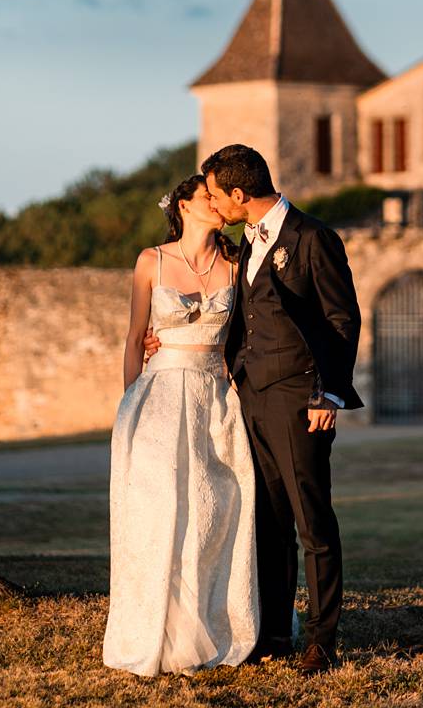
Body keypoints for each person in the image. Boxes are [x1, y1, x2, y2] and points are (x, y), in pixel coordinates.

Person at [143, 143, 363, 674]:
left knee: (313, 523)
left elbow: (343, 321)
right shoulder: (242, 247)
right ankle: (273, 635)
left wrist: (327, 394)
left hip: (299, 400)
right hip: (250, 400)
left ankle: (322, 640)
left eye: (217, 194)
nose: (214, 204)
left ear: (240, 194)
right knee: (268, 521)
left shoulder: (313, 238)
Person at [102, 174, 259, 677]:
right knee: (159, 509)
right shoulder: (152, 261)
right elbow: (133, 338)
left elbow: (245, 336)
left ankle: (211, 624)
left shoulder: (237, 265)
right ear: (185, 207)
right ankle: (154, 628)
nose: (217, 204)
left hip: (215, 396)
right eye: (207, 197)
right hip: (157, 398)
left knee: (214, 514)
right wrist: (131, 401)